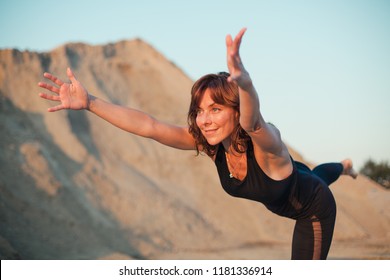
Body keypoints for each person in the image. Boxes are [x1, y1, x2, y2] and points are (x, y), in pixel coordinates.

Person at [38, 28, 357, 259]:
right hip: (295, 180)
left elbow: (253, 122)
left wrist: (244, 83)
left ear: (235, 110)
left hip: (311, 208)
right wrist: (90, 102)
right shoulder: (210, 144)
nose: (204, 119)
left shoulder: (267, 145)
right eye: (200, 111)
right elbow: (149, 126)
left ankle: (340, 169)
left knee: (317, 184)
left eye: (216, 109)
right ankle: (344, 166)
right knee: (319, 172)